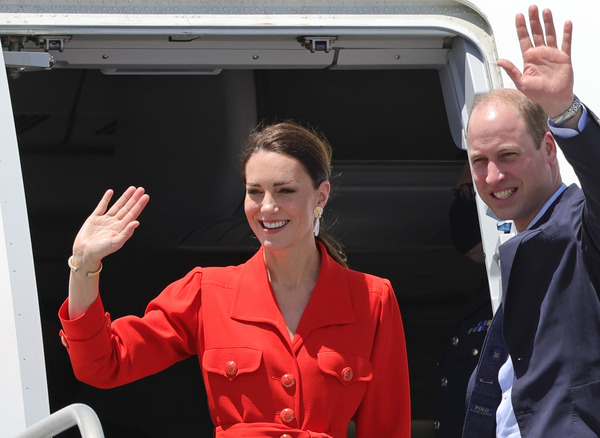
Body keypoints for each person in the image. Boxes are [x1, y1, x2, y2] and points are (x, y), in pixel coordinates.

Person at [58, 122, 411, 438]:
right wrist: (83, 264)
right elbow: (102, 365)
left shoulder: (372, 298)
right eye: (254, 191)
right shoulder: (206, 291)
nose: (267, 207)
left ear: (321, 196)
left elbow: (387, 428)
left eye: (285, 190)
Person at [461, 5, 600, 438]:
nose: (493, 176)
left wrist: (565, 112)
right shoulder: (521, 239)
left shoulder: (585, 227)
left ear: (549, 149)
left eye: (508, 156)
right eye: (479, 161)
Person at [433, 164, 493, 437]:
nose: (461, 204)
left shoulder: (521, 283)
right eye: (458, 194)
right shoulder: (489, 289)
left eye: (468, 193)